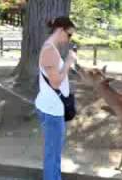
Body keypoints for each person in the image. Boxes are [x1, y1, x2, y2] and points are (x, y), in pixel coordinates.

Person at [35, 16, 76, 180]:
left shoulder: (51, 48)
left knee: (54, 153)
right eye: (69, 34)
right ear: (60, 30)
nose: (69, 39)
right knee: (52, 155)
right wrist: (69, 62)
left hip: (53, 108)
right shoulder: (49, 50)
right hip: (52, 110)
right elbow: (55, 83)